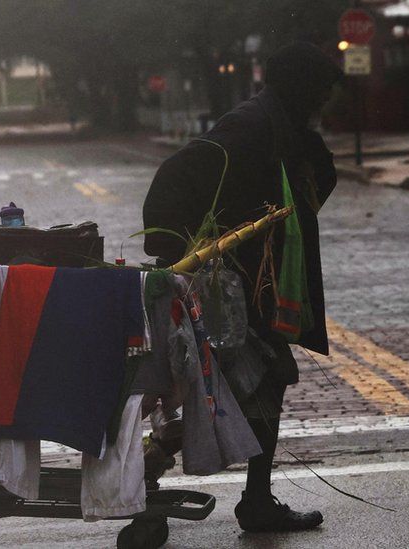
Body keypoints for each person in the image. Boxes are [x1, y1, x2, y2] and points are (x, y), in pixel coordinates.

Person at [142, 41, 343, 532]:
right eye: (320, 91)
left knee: (238, 384)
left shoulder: (280, 125)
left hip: (253, 285)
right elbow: (178, 174)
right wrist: (180, 254)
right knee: (258, 380)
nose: (324, 102)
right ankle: (250, 501)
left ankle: (164, 466)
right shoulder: (250, 124)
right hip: (234, 286)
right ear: (300, 87)